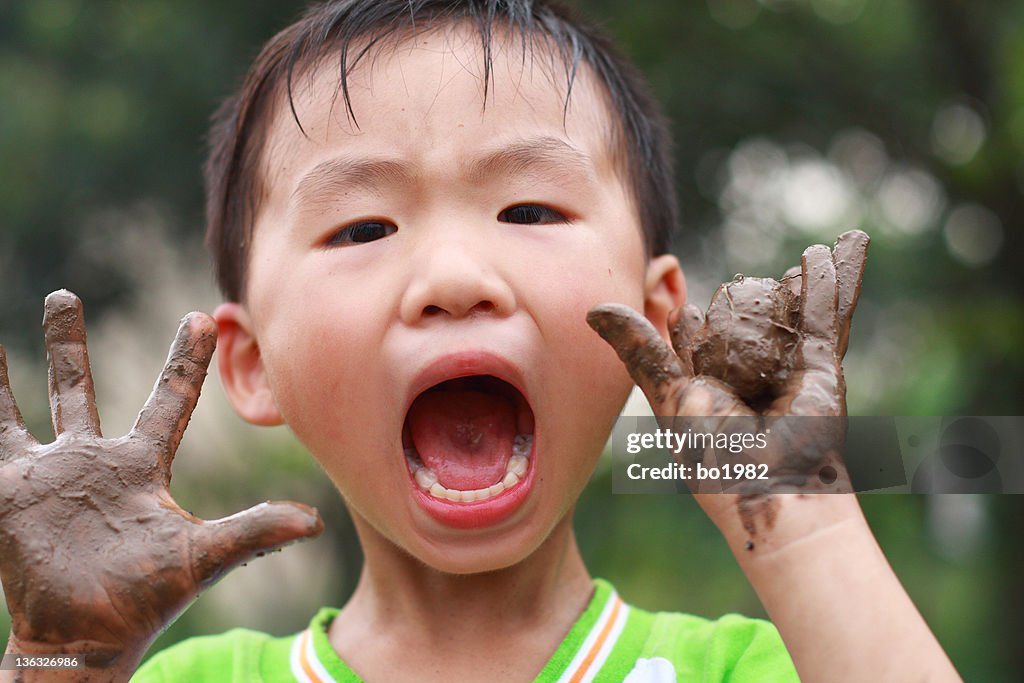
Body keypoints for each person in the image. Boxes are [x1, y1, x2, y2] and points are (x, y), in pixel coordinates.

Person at [0, 1, 960, 681]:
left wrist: (803, 522)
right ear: (251, 364)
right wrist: (62, 662)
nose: (456, 277)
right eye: (363, 229)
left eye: (530, 208)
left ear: (661, 322)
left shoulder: (749, 668)